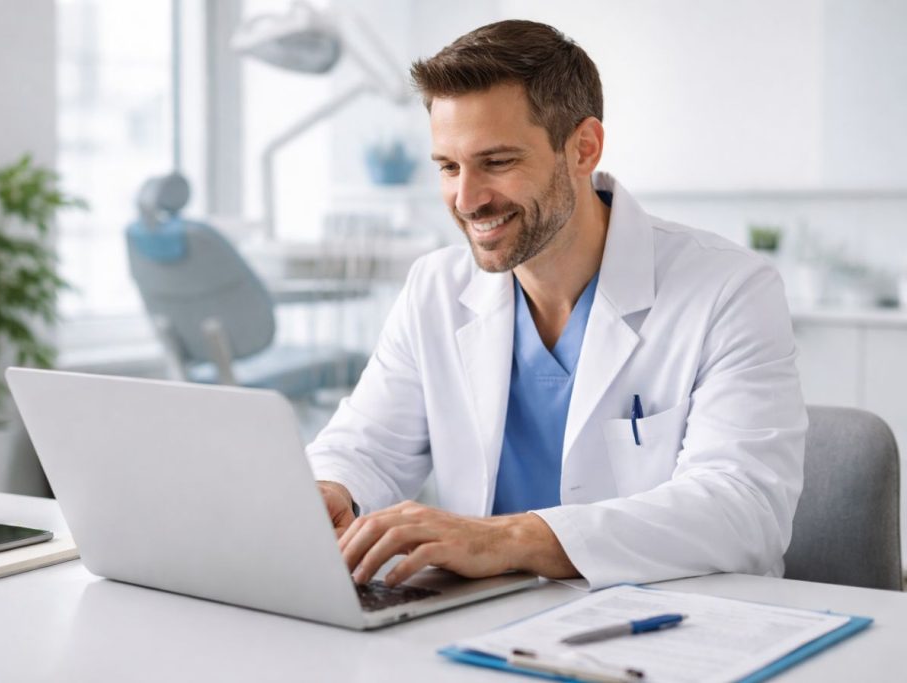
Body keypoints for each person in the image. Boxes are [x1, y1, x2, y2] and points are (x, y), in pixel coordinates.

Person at [307, 19, 806, 591]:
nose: (466, 200)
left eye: (497, 162)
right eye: (448, 167)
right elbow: (366, 443)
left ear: (583, 149)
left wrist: (504, 539)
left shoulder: (729, 289)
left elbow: (744, 510)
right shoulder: (435, 288)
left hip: (668, 624)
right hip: (482, 615)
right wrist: (331, 489)